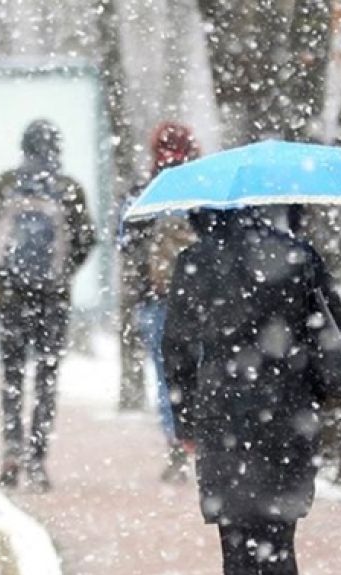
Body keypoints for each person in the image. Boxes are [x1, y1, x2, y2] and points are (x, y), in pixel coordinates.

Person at [162, 206, 341, 575]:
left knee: (237, 552)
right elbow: (333, 333)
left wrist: (184, 423)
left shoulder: (194, 262)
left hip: (223, 419)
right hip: (287, 417)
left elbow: (175, 346)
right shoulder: (298, 255)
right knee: (280, 546)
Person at [0, 120, 96, 492]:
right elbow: (87, 238)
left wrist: (1, 275)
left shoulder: (4, 185)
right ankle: (37, 458)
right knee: (47, 377)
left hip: (11, 298)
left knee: (12, 375)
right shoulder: (67, 189)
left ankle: (11, 449)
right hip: (52, 300)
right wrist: (62, 273)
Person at [118, 121, 202, 482]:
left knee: (168, 377)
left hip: (157, 299)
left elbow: (124, 240)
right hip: (202, 301)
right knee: (203, 372)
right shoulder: (204, 189)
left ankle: (176, 443)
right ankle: (206, 440)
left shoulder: (143, 191)